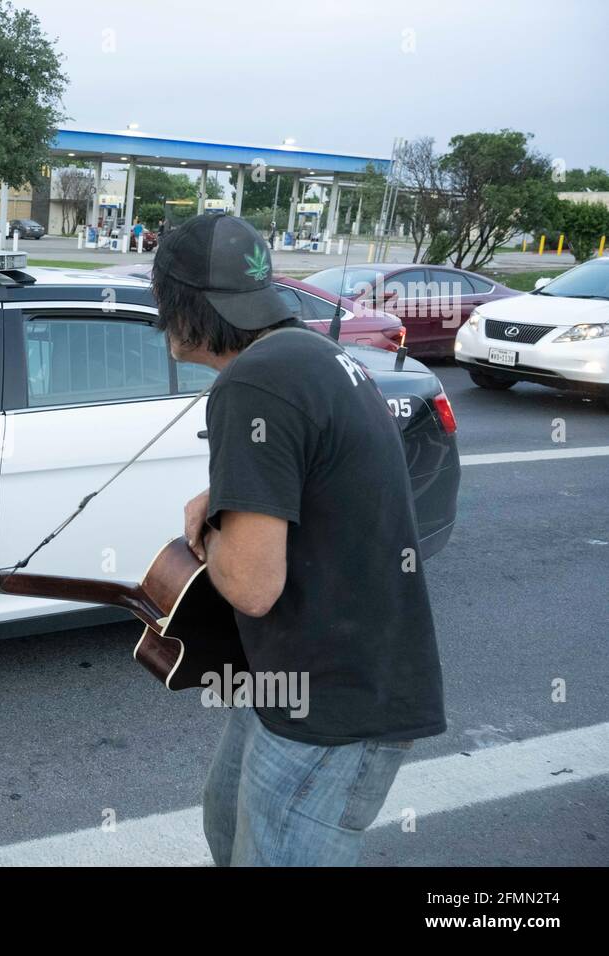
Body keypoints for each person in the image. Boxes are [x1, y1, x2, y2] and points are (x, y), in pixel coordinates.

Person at [149, 214, 445, 866]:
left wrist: (215, 524)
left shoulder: (252, 382)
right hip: (292, 679)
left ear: (185, 304)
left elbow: (252, 587)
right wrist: (224, 503)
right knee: (227, 827)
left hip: (334, 708)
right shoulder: (310, 355)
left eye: (162, 297)